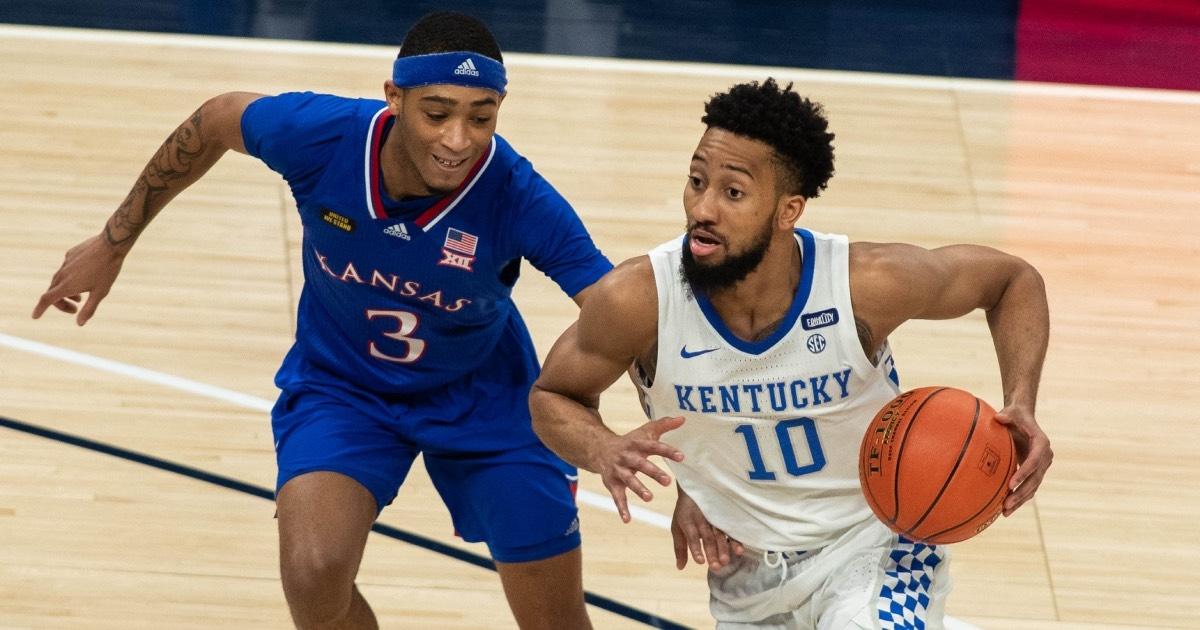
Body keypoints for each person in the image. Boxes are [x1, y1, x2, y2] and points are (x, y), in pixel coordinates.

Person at [32, 11, 607, 630]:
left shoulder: (518, 194)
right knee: (313, 577)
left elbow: (616, 306)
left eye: (482, 116)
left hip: (486, 396)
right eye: (437, 113)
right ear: (395, 98)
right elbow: (217, 118)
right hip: (345, 386)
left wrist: (684, 465)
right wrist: (113, 242)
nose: (459, 138)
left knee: (555, 623)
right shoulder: (322, 135)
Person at [529, 78, 1053, 629]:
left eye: (733, 193)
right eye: (696, 180)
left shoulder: (862, 285)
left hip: (873, 545)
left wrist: (1021, 401)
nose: (703, 208)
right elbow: (553, 395)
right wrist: (605, 448)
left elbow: (1012, 281)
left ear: (788, 210)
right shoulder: (638, 299)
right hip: (744, 573)